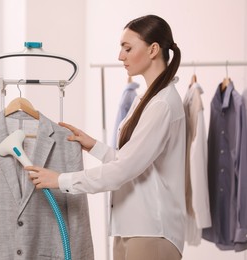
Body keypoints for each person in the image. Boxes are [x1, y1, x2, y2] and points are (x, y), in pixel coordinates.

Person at [26, 14, 185, 260]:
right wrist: (94, 146)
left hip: (152, 232)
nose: (120, 56)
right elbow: (135, 162)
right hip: (132, 228)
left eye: (127, 48)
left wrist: (61, 180)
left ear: (153, 50)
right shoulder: (147, 99)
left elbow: (124, 169)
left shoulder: (161, 105)